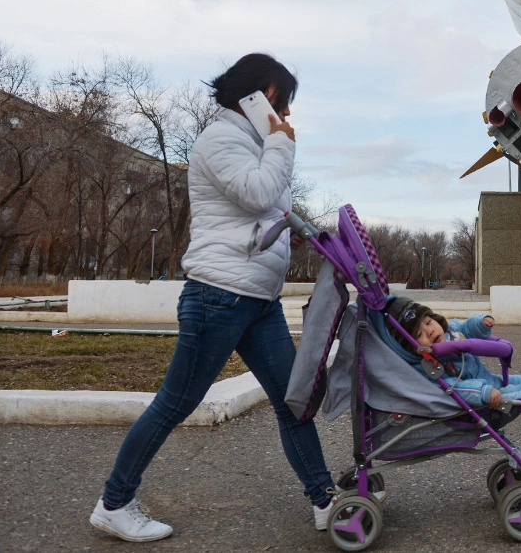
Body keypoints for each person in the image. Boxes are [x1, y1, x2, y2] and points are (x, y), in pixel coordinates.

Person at [90, 54, 337, 543]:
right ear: (261, 96)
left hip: (255, 299)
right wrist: (281, 145)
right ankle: (113, 503)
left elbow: (268, 210)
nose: (285, 116)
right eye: (281, 103)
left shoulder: (248, 142)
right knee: (175, 404)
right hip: (218, 295)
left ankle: (326, 499)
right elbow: (259, 194)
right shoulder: (220, 138)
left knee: (293, 404)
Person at [380, 301, 521, 428]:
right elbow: (454, 389)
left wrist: (480, 323)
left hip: (489, 379)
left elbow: (468, 328)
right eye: (419, 334)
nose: (430, 331)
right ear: (410, 348)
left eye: (428, 323)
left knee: (519, 380)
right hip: (481, 397)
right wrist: (482, 392)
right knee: (517, 396)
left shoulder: (451, 330)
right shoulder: (427, 366)